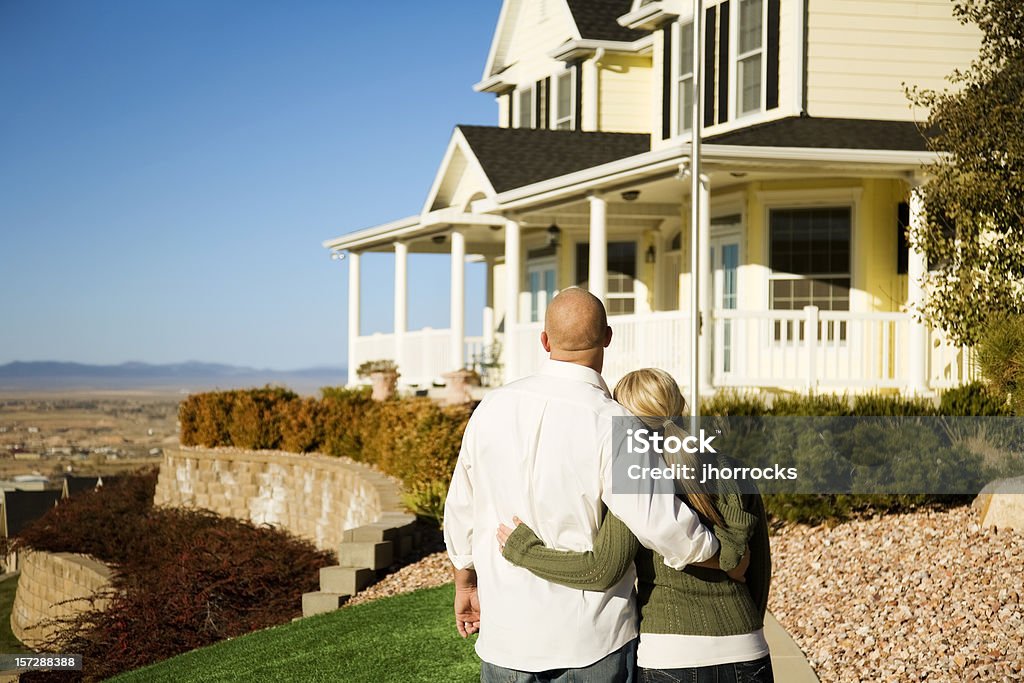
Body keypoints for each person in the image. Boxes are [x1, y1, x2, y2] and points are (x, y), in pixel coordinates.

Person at [443, 288, 723, 683]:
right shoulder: (615, 422)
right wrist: (721, 557)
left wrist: (465, 580)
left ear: (544, 341)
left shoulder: (490, 408)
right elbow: (662, 524)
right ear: (607, 337)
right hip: (592, 641)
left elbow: (461, 509)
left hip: (506, 637)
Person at [497, 368, 773, 683]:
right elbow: (759, 570)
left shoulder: (638, 482)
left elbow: (601, 569)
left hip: (670, 653)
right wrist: (747, 632)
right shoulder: (733, 470)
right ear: (680, 405)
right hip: (748, 646)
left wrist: (524, 551)